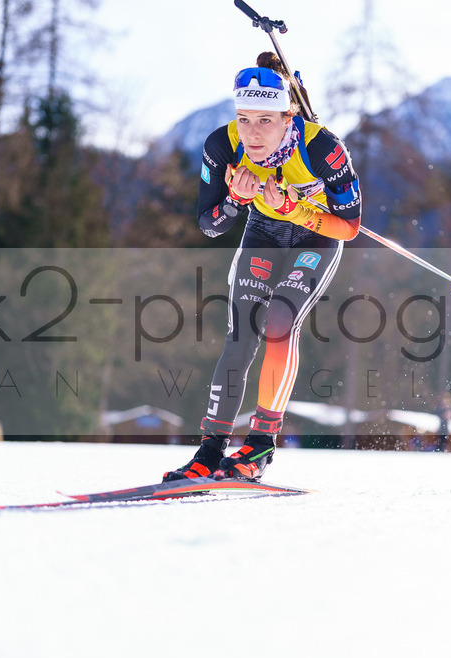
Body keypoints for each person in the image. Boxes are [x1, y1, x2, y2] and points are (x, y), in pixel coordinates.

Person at [164, 52, 362, 482]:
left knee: (278, 322)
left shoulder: (324, 148)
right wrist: (235, 200)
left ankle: (259, 446)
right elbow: (210, 224)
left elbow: (348, 228)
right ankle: (210, 450)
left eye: (265, 121)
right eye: (244, 118)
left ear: (288, 116)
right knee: (241, 335)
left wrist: (294, 207)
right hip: (264, 233)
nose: (252, 133)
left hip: (316, 235)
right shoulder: (222, 145)